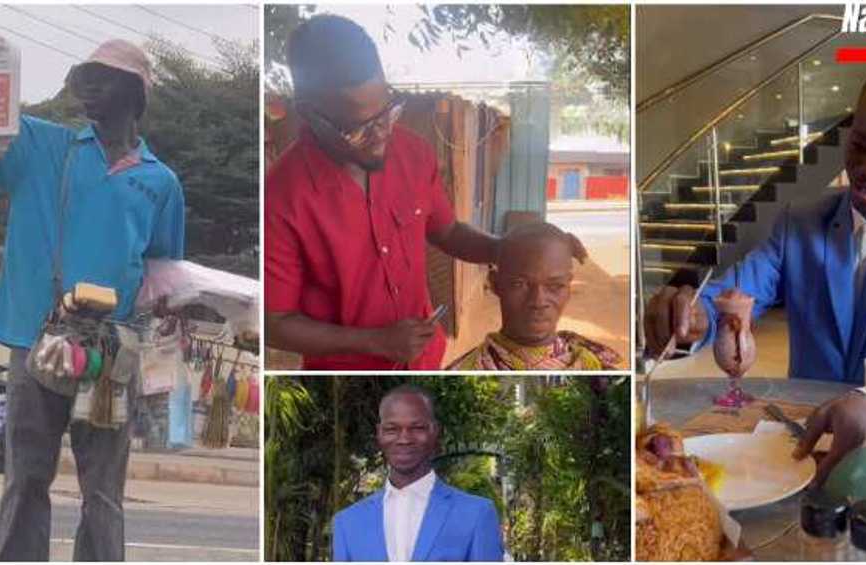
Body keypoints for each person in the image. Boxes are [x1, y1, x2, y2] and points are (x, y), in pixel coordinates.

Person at [644, 63, 866, 483]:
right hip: (802, 446)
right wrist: (695, 315)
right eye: (861, 145)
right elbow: (737, 292)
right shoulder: (801, 220)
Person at [264, 15, 585, 370]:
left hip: (427, 361)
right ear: (310, 114)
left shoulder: (413, 153)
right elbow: (275, 324)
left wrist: (522, 252)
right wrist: (375, 341)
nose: (382, 134)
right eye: (358, 129)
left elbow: (447, 232)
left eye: (387, 112)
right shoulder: (281, 198)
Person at [0, 39, 186, 561]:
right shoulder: (42, 146)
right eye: (83, 77)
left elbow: (162, 270)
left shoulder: (161, 182)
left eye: (103, 77)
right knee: (25, 477)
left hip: (111, 352)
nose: (88, 87)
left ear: (136, 93)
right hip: (36, 338)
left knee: (102, 492)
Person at [332, 386, 505, 561]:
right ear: (379, 434)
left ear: (435, 431)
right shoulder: (347, 523)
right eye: (392, 429)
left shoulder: (476, 514)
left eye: (417, 428)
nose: (404, 439)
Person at [449, 222, 623, 370]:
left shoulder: (600, 362)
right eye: (520, 284)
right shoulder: (468, 369)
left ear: (568, 286)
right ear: (495, 284)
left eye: (555, 286)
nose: (538, 301)